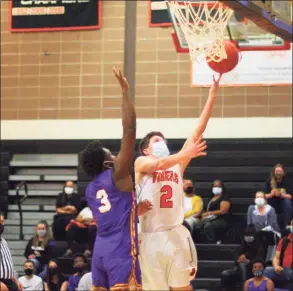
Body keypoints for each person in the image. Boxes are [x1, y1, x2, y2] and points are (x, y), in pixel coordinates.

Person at [135, 74, 222, 290]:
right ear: (147, 149)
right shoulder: (141, 162)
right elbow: (159, 164)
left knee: (183, 288)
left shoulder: (177, 164)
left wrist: (212, 94)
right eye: (156, 140)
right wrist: (186, 153)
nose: (161, 142)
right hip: (150, 236)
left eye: (163, 139)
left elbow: (198, 131)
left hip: (175, 233)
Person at [80, 68, 142, 290]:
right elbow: (130, 130)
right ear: (106, 161)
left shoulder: (89, 189)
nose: (114, 154)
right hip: (120, 248)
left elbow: (117, 208)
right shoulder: (117, 173)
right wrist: (125, 93)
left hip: (100, 250)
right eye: (110, 153)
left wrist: (137, 208)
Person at [221, 227, 266, 291]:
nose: (248, 237)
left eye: (250, 235)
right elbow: (236, 257)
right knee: (225, 274)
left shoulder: (259, 246)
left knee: (243, 265)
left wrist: (248, 261)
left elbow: (260, 260)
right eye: (247, 235)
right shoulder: (243, 245)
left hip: (253, 271)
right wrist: (238, 260)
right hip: (240, 270)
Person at [264, 219, 293, 287]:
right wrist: (276, 266)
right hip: (285, 270)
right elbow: (276, 258)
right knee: (267, 271)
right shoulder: (284, 240)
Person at [264, 164, 292, 229]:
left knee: (287, 202)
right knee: (267, 203)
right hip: (273, 201)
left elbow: (290, 196)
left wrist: (281, 194)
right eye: (277, 171)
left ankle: (287, 225)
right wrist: (271, 194)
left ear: (283, 172)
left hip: (283, 201)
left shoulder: (288, 181)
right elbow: (264, 196)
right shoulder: (269, 181)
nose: (278, 173)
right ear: (274, 172)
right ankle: (270, 225)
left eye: (280, 171)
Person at [0, 212, 22, 291]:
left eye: (2, 222)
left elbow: (7, 264)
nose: (1, 225)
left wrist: (15, 279)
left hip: (9, 281)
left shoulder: (4, 241)